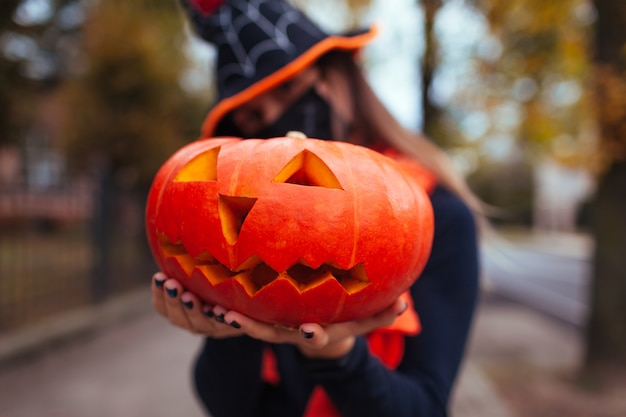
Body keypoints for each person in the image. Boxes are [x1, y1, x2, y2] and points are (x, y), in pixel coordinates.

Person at [151, 0, 480, 416]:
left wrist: (338, 354)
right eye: (253, 117)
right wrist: (229, 330)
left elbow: (426, 406)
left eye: (287, 88)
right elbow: (231, 408)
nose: (277, 119)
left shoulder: (436, 213)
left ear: (338, 77)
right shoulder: (254, 239)